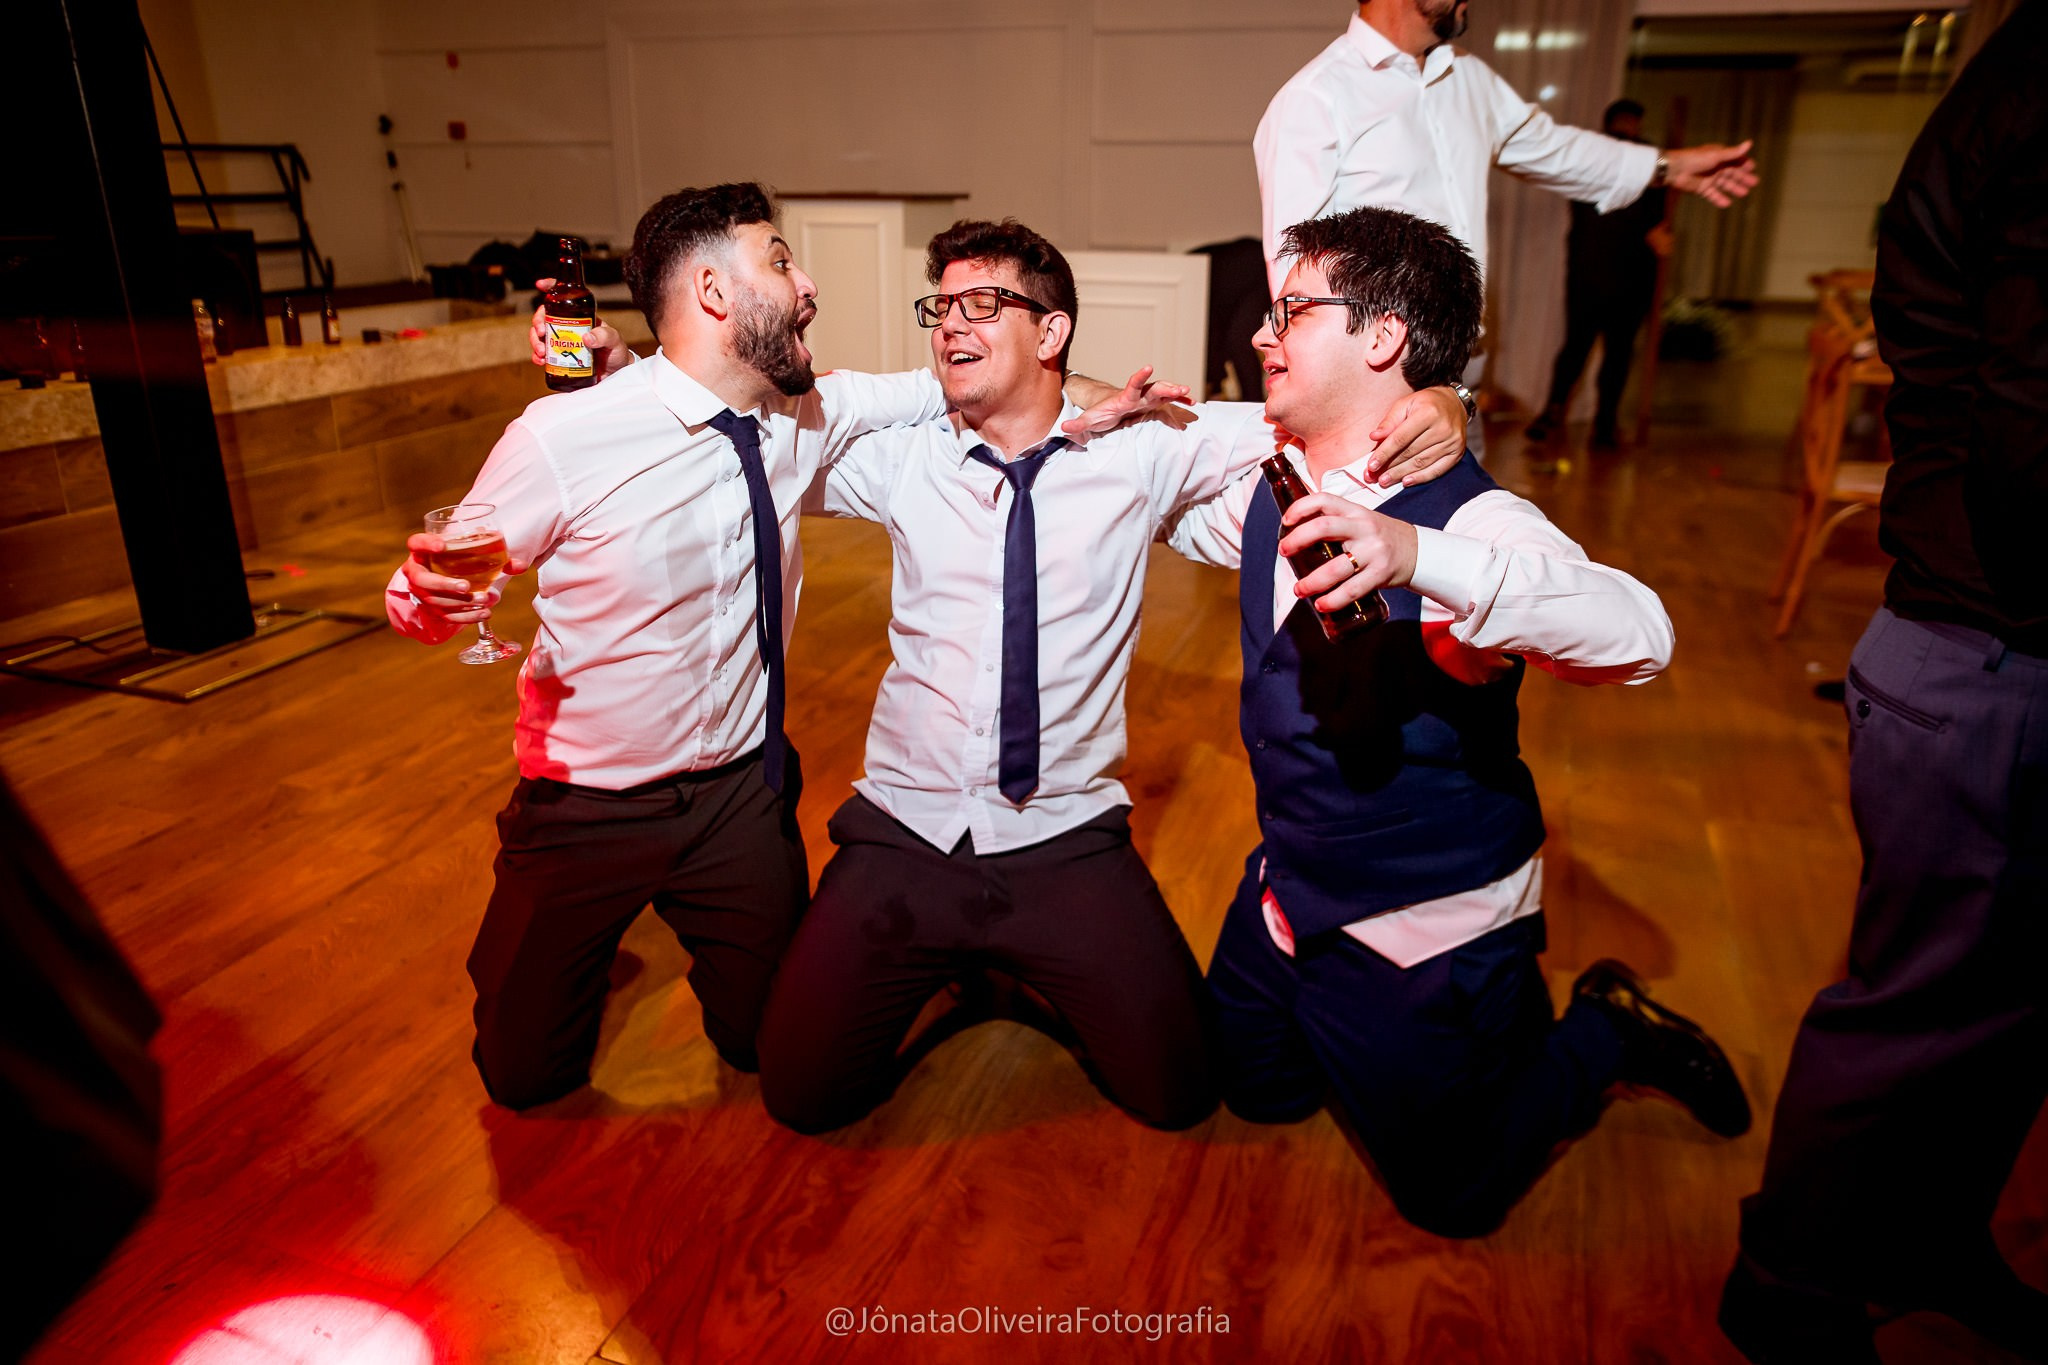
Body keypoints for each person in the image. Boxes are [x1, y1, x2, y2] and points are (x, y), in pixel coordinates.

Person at [389, 183, 1110, 1111]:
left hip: (742, 795)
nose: (807, 283)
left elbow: (960, 386)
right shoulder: (563, 436)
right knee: (524, 1079)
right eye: (780, 261)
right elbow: (428, 593)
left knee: (769, 1047)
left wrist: (1087, 388)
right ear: (714, 293)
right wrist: (428, 596)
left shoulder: (800, 416)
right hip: (584, 807)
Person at [753, 218, 1470, 1134]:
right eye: (941, 308)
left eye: (983, 305)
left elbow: (1324, 417)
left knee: (1177, 1093)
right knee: (803, 1095)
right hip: (908, 827)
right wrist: (620, 375)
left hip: (1064, 833)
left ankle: (1010, 958)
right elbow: (760, 429)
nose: (949, 326)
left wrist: (1449, 398)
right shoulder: (904, 458)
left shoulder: (1142, 447)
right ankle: (951, 958)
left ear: (1050, 334)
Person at [1164, 204, 1749, 1237]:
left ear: (1381, 337)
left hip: (1419, 918)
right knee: (1255, 1093)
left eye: (1288, 311)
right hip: (1292, 883)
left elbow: (1640, 634)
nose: (1259, 334)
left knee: (1455, 1200)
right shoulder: (1268, 473)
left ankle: (1603, 1035)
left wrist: (1417, 559)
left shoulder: (1475, 524)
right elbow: (1143, 439)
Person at [1719, 4, 2048, 1359]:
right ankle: (1790, 1285)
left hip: (1985, 625)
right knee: (1920, 993)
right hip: (1991, 630)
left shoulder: (2005, 84)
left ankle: (1927, 1237)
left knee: (2012, 998)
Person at [1254, 0, 1758, 455]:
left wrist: (1667, 166)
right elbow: (1293, 272)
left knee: (1456, 536)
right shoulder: (1316, 97)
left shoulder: (1467, 78)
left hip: (1463, 368)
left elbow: (1554, 148)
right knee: (1368, 547)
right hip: (1372, 387)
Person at [1521, 99, 1671, 453]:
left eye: (1633, 122)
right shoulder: (1595, 162)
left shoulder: (1651, 166)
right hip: (1590, 276)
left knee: (1618, 354)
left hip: (1632, 280)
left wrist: (1658, 233)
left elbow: (1655, 217)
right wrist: (1649, 231)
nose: (1628, 128)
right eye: (1623, 121)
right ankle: (1553, 413)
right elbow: (1601, 215)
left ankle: (1605, 421)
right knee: (1576, 348)